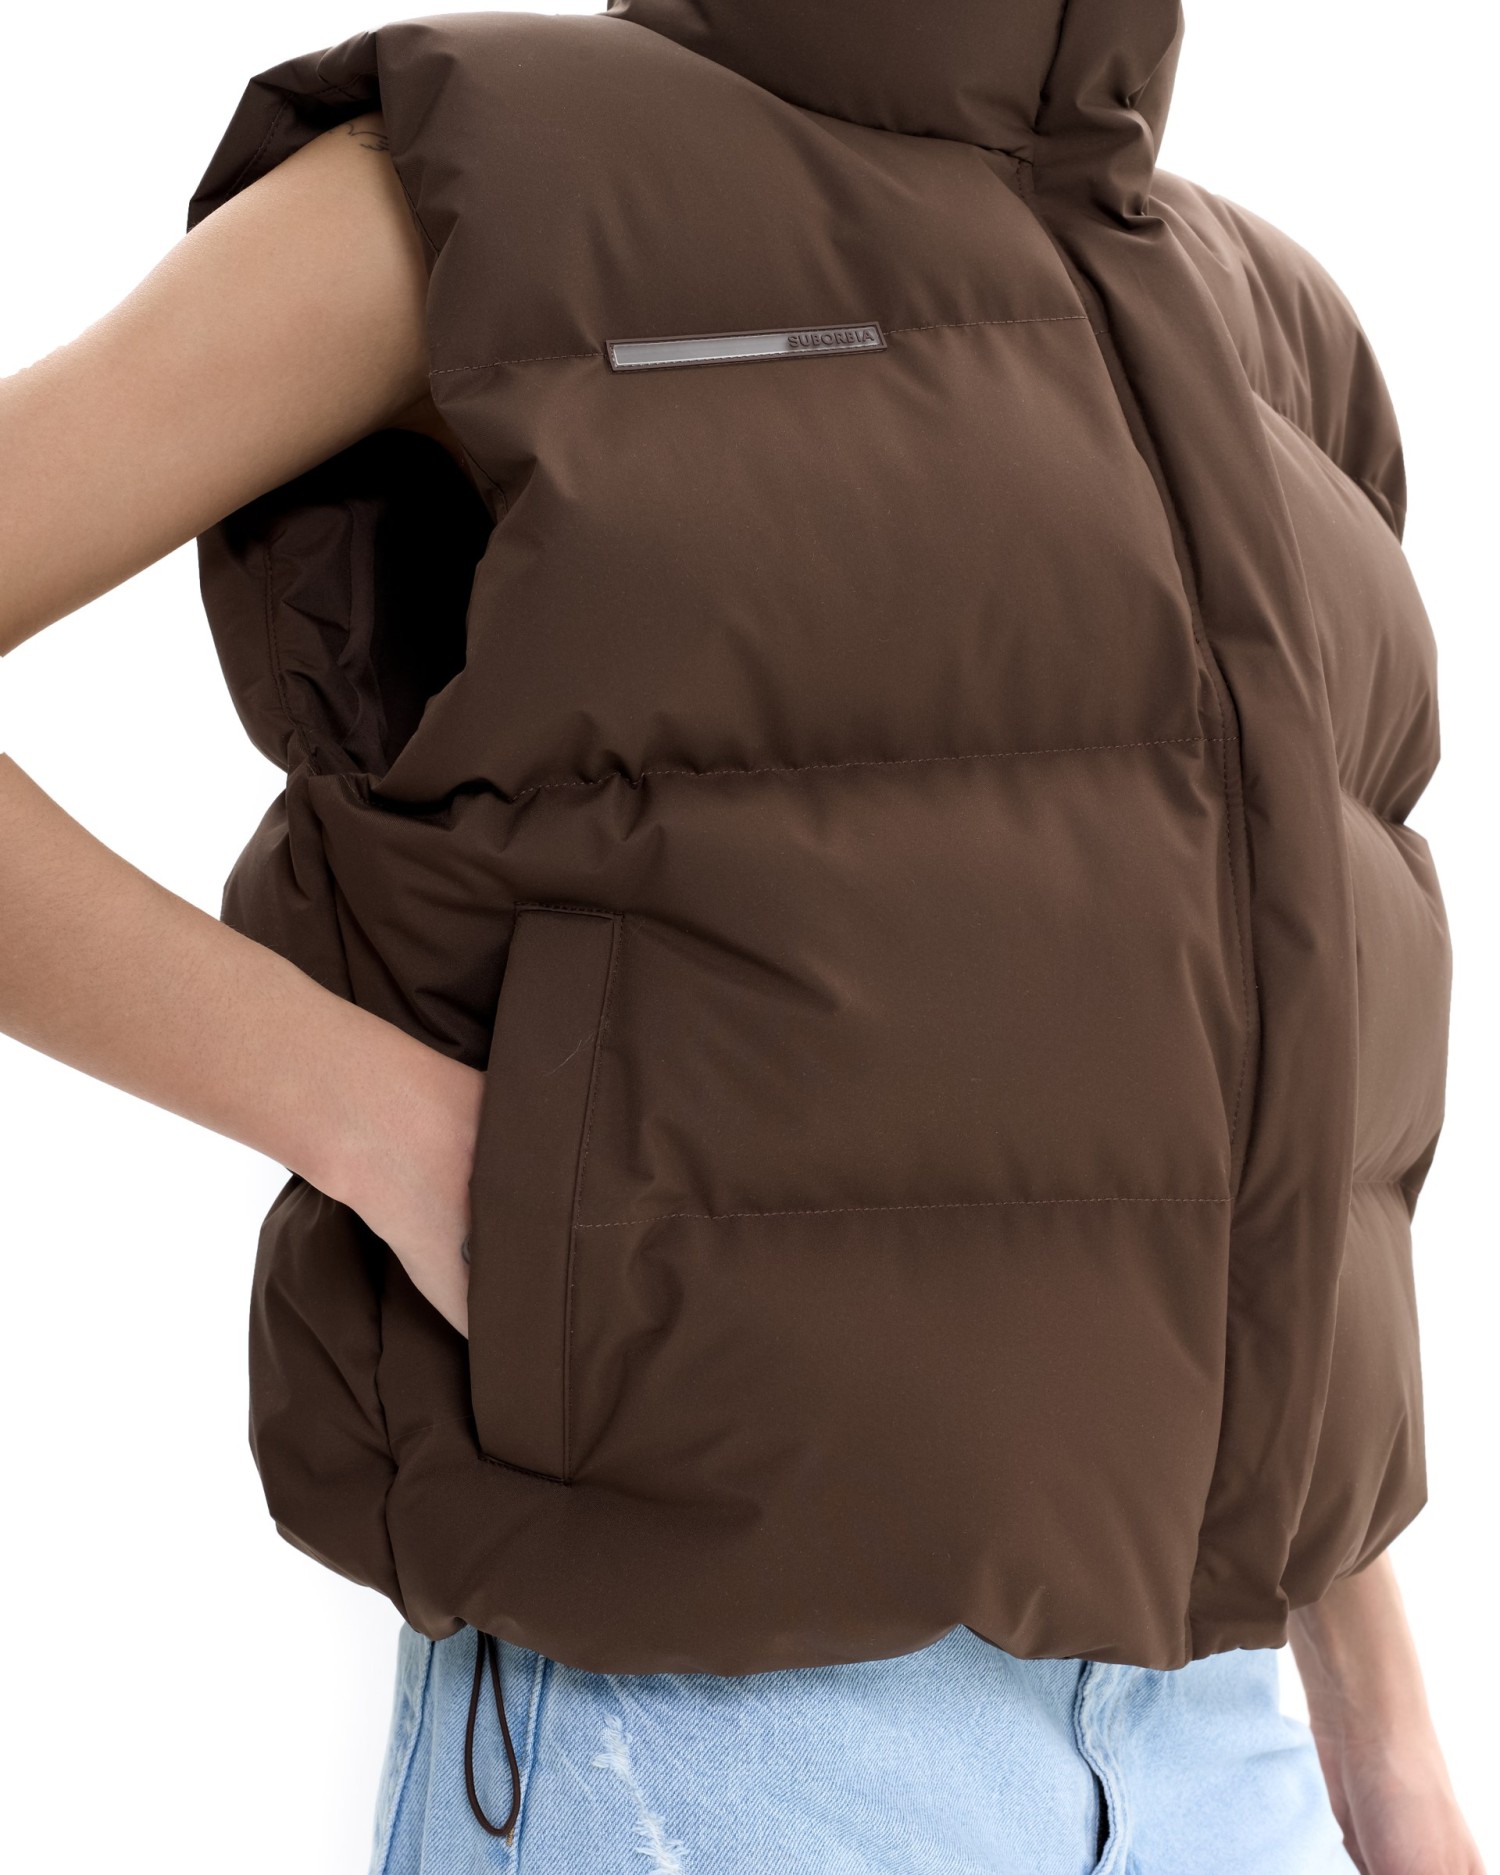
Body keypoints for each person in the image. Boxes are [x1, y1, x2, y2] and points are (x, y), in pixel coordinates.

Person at [0, 18, 1482, 1875]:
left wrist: (1388, 1743)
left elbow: (1250, 1138)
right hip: (718, 1748)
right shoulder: (496, 183)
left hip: (1221, 1759)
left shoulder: (1272, 334)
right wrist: (398, 1135)